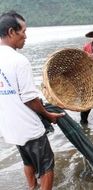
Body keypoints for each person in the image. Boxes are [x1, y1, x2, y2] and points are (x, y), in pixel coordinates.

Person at [0, 11, 65, 189]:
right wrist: (48, 114)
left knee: (28, 161)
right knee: (46, 167)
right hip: (29, 128)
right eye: (23, 31)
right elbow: (30, 99)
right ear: (12, 32)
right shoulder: (19, 61)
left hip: (10, 128)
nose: (26, 36)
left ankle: (32, 188)